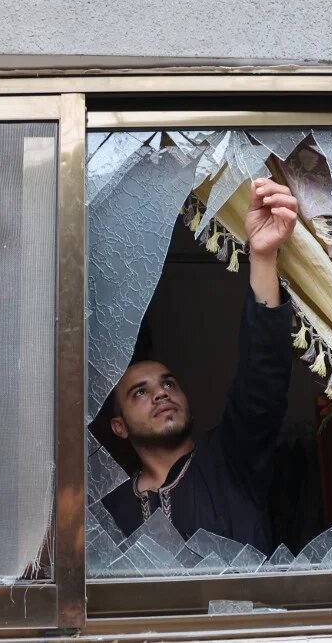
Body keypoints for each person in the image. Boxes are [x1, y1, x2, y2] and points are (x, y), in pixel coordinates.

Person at [101, 178, 299, 554]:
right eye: (140, 392)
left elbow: (263, 379)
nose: (160, 392)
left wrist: (262, 256)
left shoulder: (231, 459)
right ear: (119, 427)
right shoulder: (109, 514)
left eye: (169, 383)